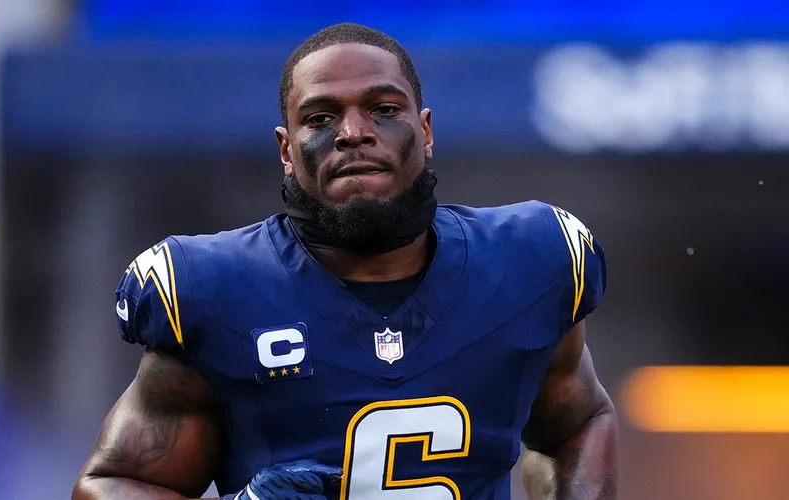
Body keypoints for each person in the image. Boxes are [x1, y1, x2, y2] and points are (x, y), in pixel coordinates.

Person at [72, 22, 619, 500]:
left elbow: (577, 425)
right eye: (321, 117)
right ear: (287, 150)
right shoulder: (212, 290)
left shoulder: (531, 264)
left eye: (383, 110)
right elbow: (113, 484)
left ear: (425, 132)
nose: (354, 133)